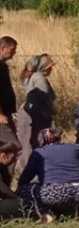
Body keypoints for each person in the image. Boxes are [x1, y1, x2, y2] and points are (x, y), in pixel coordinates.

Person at [18, 128, 79, 221]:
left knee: (26, 190)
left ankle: (44, 215)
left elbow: (26, 177)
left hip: (54, 193)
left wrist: (18, 189)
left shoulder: (38, 152)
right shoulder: (75, 147)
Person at [16, 54, 56, 169]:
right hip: (36, 113)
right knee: (36, 141)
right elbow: (44, 96)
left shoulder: (32, 76)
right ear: (43, 68)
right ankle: (32, 170)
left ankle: (29, 169)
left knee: (27, 141)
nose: (51, 69)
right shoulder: (39, 78)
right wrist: (53, 108)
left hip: (29, 111)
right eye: (49, 67)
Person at [0, 37, 19, 186]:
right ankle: (4, 187)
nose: (14, 53)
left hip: (5, 114)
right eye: (12, 50)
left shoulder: (3, 65)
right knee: (13, 147)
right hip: (1, 115)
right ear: (2, 48)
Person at [0, 142, 29, 219]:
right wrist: (18, 199)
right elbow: (4, 189)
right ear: (3, 156)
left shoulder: (3, 168)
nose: (15, 160)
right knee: (24, 205)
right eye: (12, 157)